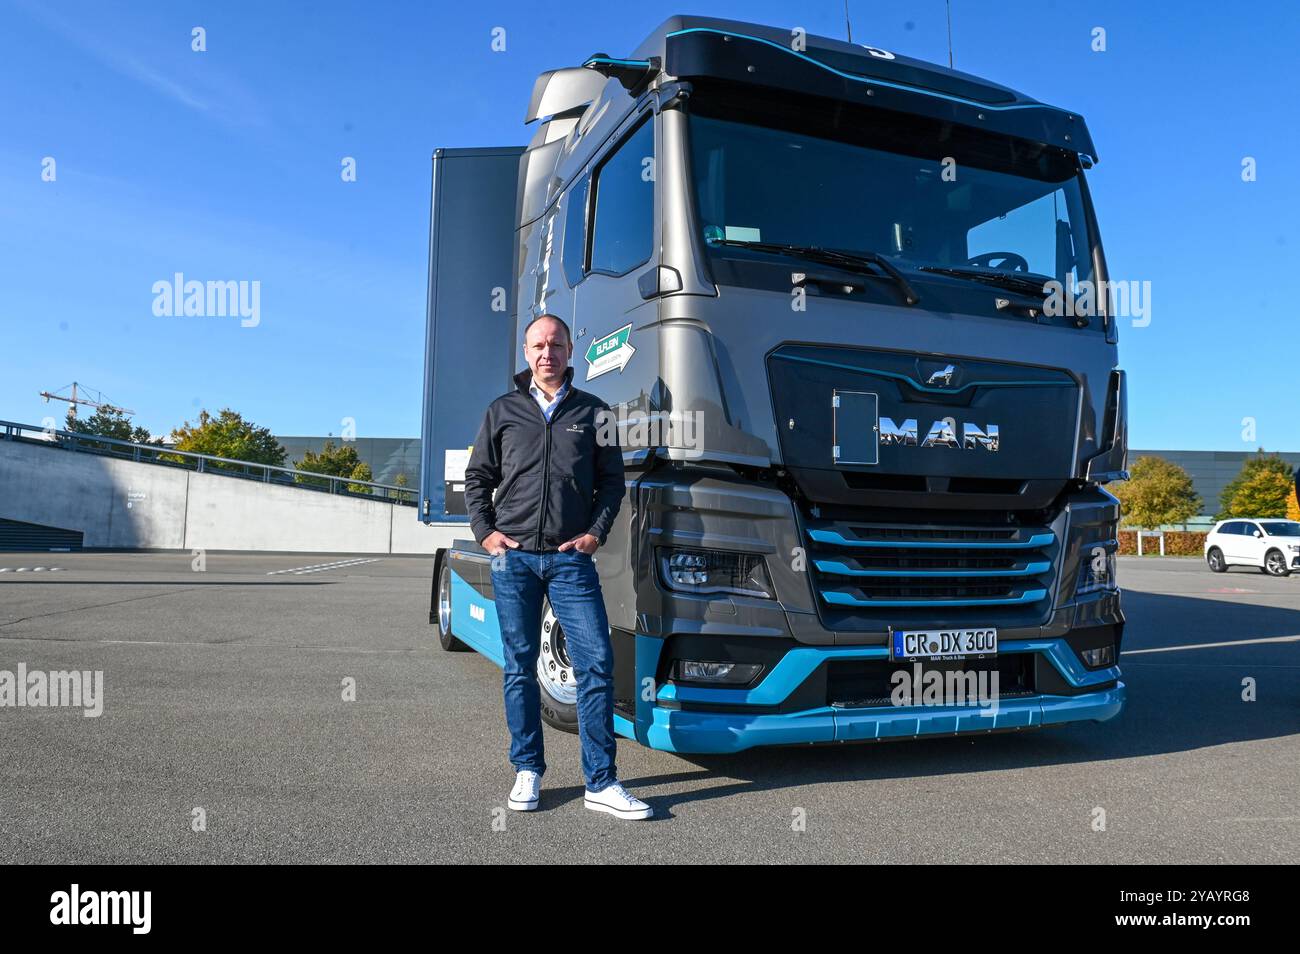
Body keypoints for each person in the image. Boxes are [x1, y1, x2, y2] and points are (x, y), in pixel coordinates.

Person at [463, 313, 652, 821]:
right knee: (520, 666)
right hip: (516, 559)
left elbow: (612, 483)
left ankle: (602, 782)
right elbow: (477, 478)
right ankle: (527, 769)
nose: (548, 353)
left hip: (570, 560)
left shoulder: (595, 412)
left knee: (595, 663)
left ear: (571, 351)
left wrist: (594, 534)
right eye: (538, 345)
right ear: (526, 353)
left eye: (557, 344)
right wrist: (487, 534)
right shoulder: (502, 411)